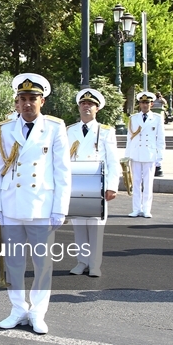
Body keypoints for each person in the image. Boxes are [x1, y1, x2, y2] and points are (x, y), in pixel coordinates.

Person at [0, 73, 71, 335]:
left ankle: (37, 312)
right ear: (16, 102)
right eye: (22, 98)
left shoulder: (55, 128)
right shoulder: (5, 129)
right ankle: (17, 309)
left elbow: (62, 171)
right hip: (11, 204)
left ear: (42, 101)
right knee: (13, 262)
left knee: (42, 263)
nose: (27, 103)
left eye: (32, 99)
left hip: (41, 206)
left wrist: (60, 208)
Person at [66, 88, 120, 277]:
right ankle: (82, 261)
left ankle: (95, 264)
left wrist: (112, 186)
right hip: (76, 183)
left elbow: (113, 161)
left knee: (95, 226)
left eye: (90, 104)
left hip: (97, 184)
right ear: (79, 107)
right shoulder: (70, 130)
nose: (86, 106)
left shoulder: (105, 131)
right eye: (83, 103)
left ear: (97, 108)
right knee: (79, 225)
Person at [125, 91, 166, 218]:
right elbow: (129, 138)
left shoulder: (157, 118)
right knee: (136, 183)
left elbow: (160, 139)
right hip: (136, 154)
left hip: (149, 154)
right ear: (139, 104)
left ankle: (147, 209)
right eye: (142, 102)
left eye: (147, 102)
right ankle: (136, 209)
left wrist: (160, 156)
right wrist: (127, 155)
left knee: (148, 184)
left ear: (151, 104)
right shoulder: (133, 118)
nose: (144, 105)